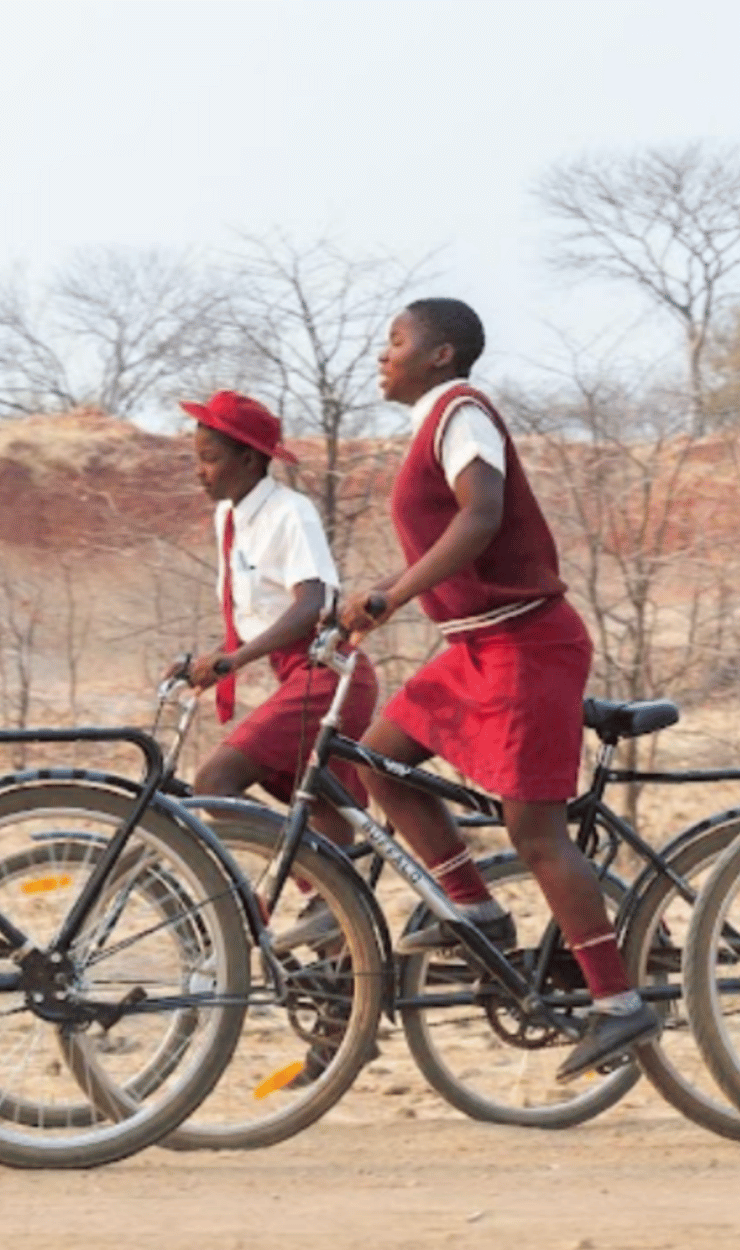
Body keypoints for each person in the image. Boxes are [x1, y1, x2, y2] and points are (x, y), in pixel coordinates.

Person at [331, 297, 652, 1079]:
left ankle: (618, 1004)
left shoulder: (462, 413)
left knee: (535, 831)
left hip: (527, 644)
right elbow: (452, 541)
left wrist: (394, 596)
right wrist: (378, 595)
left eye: (396, 342)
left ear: (440, 356)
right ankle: (472, 906)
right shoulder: (432, 422)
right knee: (374, 758)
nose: (383, 354)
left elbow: (481, 517)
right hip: (476, 646)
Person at [169, 390, 377, 946]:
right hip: (298, 679)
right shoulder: (228, 519)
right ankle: (346, 989)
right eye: (197, 456)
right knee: (330, 824)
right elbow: (256, 613)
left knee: (214, 782)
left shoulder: (289, 512)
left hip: (329, 677)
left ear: (250, 459)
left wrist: (233, 661)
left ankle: (281, 900)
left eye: (210, 457)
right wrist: (209, 660)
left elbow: (313, 604)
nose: (200, 471)